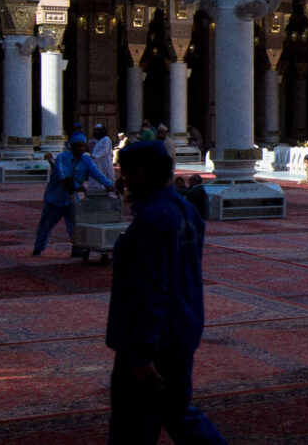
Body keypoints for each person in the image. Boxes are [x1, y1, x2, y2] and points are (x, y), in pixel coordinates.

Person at [105, 141, 226, 445]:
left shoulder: (152, 220)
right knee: (175, 412)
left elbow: (150, 291)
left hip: (153, 343)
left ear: (141, 174)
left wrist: (142, 355)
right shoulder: (186, 212)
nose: (124, 182)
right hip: (182, 331)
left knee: (133, 425)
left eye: (126, 175)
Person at [35, 131, 115, 255]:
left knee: (75, 225)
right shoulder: (62, 158)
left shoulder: (85, 159)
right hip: (54, 198)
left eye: (82, 145)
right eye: (77, 145)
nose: (80, 148)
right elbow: (64, 178)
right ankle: (38, 248)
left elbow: (95, 172)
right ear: (71, 146)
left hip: (71, 198)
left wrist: (108, 184)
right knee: (46, 225)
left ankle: (77, 248)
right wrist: (79, 187)